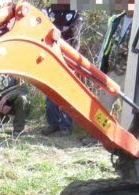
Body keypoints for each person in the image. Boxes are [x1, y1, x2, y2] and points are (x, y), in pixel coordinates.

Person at [43, 3, 83, 135]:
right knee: (50, 91)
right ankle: (53, 123)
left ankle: (66, 125)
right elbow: (42, 29)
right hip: (51, 56)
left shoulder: (76, 12)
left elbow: (74, 34)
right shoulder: (50, 9)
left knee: (66, 93)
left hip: (68, 58)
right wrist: (60, 30)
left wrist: (57, 30)